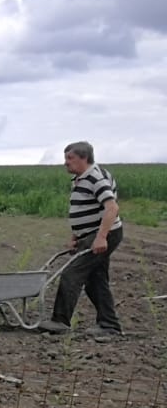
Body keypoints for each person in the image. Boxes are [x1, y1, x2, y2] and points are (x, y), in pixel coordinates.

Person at [48, 141, 124, 336]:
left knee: (71, 274)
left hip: (102, 234)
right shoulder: (80, 178)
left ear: (84, 158)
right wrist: (75, 236)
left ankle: (60, 321)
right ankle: (109, 324)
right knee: (96, 280)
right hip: (91, 235)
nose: (65, 163)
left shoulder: (95, 177)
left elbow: (112, 208)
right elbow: (85, 209)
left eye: (70, 158)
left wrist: (100, 237)